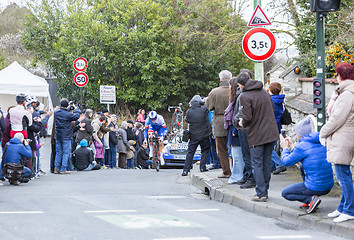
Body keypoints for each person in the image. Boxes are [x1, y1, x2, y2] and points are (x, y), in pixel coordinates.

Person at [320, 62, 354, 223]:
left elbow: (337, 118)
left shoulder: (347, 94)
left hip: (343, 137)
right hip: (345, 136)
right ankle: (342, 207)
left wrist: (323, 132)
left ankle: (349, 210)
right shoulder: (348, 91)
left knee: (343, 176)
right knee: (343, 174)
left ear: (340, 75)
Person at [237, 72, 279, 202]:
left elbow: (247, 117)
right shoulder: (265, 92)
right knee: (267, 163)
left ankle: (261, 193)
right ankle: (264, 190)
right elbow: (272, 109)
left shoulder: (245, 96)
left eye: (239, 85)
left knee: (257, 164)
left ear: (242, 85)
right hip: (271, 132)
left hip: (257, 134)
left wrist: (241, 123)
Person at [280, 116, 334, 214]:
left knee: (285, 193)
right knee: (302, 167)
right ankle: (308, 200)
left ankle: (310, 199)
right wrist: (292, 145)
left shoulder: (302, 147)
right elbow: (307, 156)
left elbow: (286, 162)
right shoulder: (320, 141)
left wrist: (285, 148)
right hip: (328, 186)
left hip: (315, 187)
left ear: (299, 134)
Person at [206, 70, 232, 178]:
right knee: (236, 147)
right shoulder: (234, 90)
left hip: (219, 121)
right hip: (233, 121)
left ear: (220, 79)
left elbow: (208, 107)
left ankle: (226, 171)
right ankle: (238, 172)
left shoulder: (214, 92)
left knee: (221, 148)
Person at [233, 69, 255, 189]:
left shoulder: (244, 94)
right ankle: (247, 175)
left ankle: (250, 177)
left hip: (244, 127)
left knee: (247, 154)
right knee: (246, 153)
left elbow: (242, 111)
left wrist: (237, 121)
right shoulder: (242, 93)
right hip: (243, 127)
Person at [181, 95, 211, 176]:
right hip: (204, 135)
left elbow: (187, 120)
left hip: (193, 136)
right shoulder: (204, 109)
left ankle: (185, 170)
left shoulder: (189, 112)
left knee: (190, 153)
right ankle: (202, 167)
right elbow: (209, 107)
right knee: (205, 150)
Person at [54, 99, 81, 174]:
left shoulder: (56, 113)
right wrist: (76, 109)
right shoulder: (68, 115)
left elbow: (63, 111)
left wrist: (68, 108)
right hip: (66, 135)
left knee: (58, 152)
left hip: (58, 135)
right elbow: (76, 116)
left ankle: (56, 168)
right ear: (67, 105)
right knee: (66, 152)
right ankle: (63, 169)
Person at [226, 77, 244, 184]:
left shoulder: (237, 98)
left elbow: (237, 114)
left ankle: (237, 176)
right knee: (237, 155)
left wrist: (235, 129)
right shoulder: (236, 97)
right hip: (235, 128)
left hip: (236, 129)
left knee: (237, 155)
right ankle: (238, 175)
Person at [269, 82, 287, 175]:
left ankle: (280, 165)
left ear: (270, 90)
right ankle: (273, 166)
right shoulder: (280, 99)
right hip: (278, 125)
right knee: (272, 146)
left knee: (268, 148)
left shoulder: (270, 100)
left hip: (270, 125)